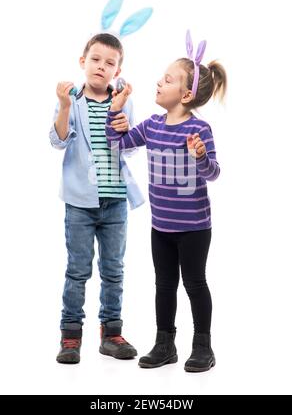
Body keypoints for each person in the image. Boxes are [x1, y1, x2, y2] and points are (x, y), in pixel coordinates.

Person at [105, 34, 227, 372]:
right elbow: (118, 143)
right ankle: (164, 344)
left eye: (168, 79)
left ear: (186, 95)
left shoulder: (200, 129)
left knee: (195, 283)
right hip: (161, 227)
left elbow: (213, 173)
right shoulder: (152, 125)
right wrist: (114, 113)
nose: (159, 82)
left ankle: (203, 346)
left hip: (194, 228)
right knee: (164, 285)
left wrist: (200, 156)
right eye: (162, 77)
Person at [49, 32, 144, 364]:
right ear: (82, 62)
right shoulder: (72, 99)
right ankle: (70, 336)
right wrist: (63, 106)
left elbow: (129, 149)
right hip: (79, 201)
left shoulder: (123, 100)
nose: (101, 67)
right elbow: (58, 141)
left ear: (117, 71)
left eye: (110, 63)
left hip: (115, 200)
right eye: (95, 60)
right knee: (77, 270)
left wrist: (123, 127)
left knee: (114, 269)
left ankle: (111, 333)